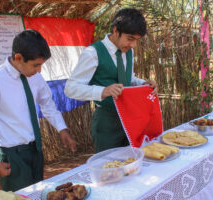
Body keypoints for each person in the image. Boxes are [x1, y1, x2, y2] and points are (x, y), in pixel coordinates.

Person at [0, 29, 77, 191]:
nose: (39, 70)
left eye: (41, 65)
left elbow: (48, 104)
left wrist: (62, 128)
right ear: (18, 58)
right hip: (12, 155)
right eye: (36, 65)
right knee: (19, 196)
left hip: (35, 150)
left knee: (37, 192)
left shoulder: (35, 77)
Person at [64, 8, 158, 153]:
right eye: (130, 38)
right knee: (110, 170)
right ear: (115, 31)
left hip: (130, 119)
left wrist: (142, 83)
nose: (133, 45)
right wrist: (103, 91)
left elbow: (128, 78)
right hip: (106, 124)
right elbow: (70, 88)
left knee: (132, 164)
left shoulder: (128, 51)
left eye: (136, 40)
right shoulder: (93, 53)